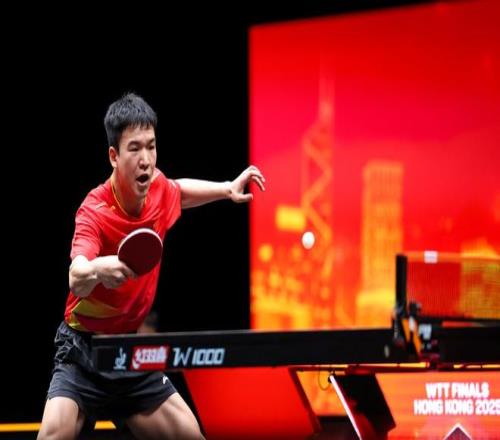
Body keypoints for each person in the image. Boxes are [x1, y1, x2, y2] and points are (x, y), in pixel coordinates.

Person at [37, 92, 265, 440]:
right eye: (134, 149)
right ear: (113, 156)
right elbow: (76, 276)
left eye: (151, 146)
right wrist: (99, 268)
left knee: (191, 435)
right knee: (54, 435)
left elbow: (178, 191)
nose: (146, 159)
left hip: (130, 352)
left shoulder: (157, 188)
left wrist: (225, 189)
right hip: (83, 352)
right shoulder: (94, 211)